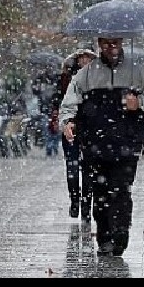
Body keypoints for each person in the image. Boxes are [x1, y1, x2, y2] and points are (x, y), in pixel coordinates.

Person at [59, 37, 144, 257]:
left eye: (114, 43)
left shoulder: (138, 73)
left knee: (121, 190)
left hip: (127, 143)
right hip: (95, 144)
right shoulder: (86, 74)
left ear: (122, 42)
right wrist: (68, 122)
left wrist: (139, 104)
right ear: (98, 44)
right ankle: (104, 237)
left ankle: (120, 234)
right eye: (105, 43)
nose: (110, 48)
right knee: (100, 192)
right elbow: (69, 102)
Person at [52, 48, 97, 222]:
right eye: (82, 57)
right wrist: (63, 119)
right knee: (72, 167)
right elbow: (59, 100)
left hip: (91, 128)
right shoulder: (66, 79)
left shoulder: (98, 79)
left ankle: (86, 203)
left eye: (88, 57)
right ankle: (74, 200)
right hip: (70, 125)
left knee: (88, 169)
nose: (85, 61)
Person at [31, 65, 61, 157]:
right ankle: (49, 148)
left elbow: (60, 92)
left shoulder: (56, 78)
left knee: (54, 130)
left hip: (54, 109)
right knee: (47, 129)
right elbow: (35, 90)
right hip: (45, 109)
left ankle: (53, 147)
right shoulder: (40, 79)